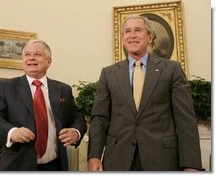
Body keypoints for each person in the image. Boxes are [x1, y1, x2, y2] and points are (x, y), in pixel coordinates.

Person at [87, 15, 203, 171]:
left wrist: (191, 164)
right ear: (122, 39)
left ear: (150, 37)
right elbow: (100, 118)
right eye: (127, 31)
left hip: (161, 159)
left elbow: (185, 120)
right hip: (118, 159)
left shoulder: (171, 70)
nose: (132, 35)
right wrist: (94, 156)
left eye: (138, 30)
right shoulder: (109, 73)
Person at [0, 40, 87, 171]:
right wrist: (12, 132)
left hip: (55, 167)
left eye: (37, 54)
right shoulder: (7, 87)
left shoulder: (63, 89)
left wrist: (76, 132)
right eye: (27, 54)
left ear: (48, 61)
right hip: (18, 166)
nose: (31, 58)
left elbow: (78, 118)